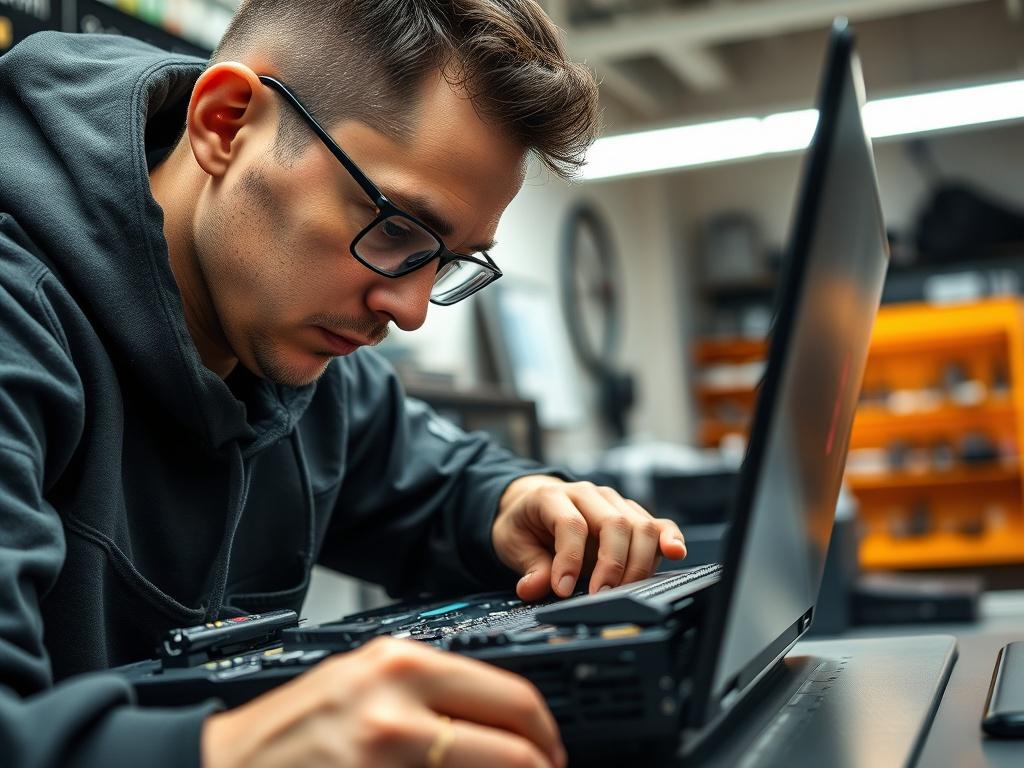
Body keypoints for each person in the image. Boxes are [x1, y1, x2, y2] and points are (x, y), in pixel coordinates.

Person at [0, 2, 687, 766]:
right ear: (226, 125)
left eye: (449, 261)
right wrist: (231, 753)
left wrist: (516, 504)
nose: (412, 308)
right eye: (396, 229)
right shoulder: (17, 318)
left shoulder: (288, 352)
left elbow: (436, 482)